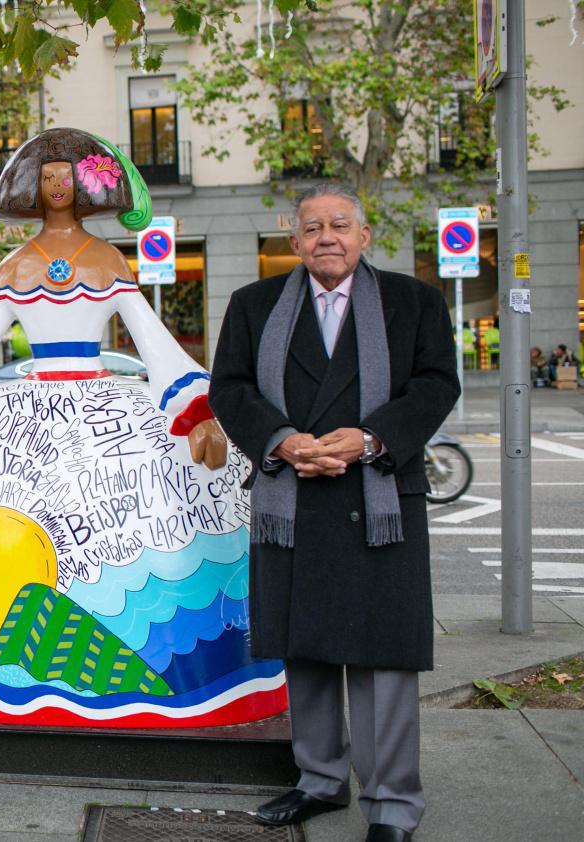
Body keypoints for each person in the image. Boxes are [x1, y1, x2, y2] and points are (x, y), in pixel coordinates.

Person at [0, 128, 289, 732]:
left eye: (66, 177)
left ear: (84, 186)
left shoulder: (107, 260)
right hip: (29, 404)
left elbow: (152, 340)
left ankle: (202, 675)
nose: (57, 186)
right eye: (47, 177)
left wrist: (195, 414)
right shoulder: (14, 267)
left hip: (100, 395)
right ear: (32, 189)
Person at [209, 183, 459, 842]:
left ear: (365, 235)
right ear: (293, 241)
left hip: (379, 504)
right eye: (313, 226)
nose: (327, 236)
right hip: (293, 501)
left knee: (383, 660)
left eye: (340, 224)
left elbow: (437, 384)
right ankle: (319, 780)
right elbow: (229, 388)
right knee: (307, 648)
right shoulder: (253, 306)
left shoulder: (416, 303)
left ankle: (392, 805)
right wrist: (281, 441)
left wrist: (372, 438)